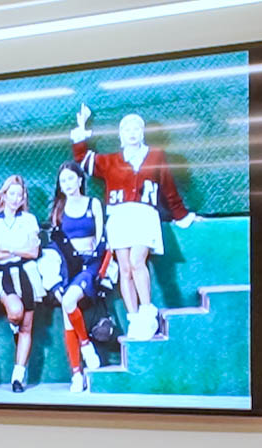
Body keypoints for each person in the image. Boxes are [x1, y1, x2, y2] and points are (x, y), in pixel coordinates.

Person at [71, 104, 200, 340]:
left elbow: (168, 188)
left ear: (142, 133)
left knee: (136, 260)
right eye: (127, 129)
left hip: (144, 215)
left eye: (136, 128)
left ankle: (147, 311)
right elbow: (83, 160)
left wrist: (182, 215)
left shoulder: (156, 155)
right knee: (125, 268)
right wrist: (81, 130)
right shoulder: (110, 161)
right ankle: (134, 320)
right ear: (121, 135)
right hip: (119, 216)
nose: (132, 133)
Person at [48, 161, 109, 392]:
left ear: (80, 180)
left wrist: (102, 269)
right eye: (63, 181)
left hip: (90, 266)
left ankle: (86, 345)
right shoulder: (58, 209)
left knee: (68, 301)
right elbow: (54, 244)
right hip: (68, 268)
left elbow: (103, 238)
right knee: (67, 314)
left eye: (71, 179)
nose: (67, 184)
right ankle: (76, 374)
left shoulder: (93, 204)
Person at [0, 175, 43, 393]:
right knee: (16, 313)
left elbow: (33, 251)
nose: (16, 198)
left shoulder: (29, 220)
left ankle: (17, 376)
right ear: (4, 195)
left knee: (27, 327)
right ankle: (13, 324)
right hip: (4, 276)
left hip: (28, 274)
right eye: (12, 193)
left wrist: (8, 250)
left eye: (20, 194)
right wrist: (17, 250)